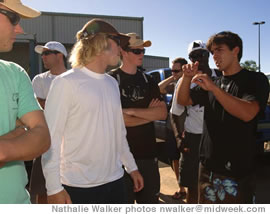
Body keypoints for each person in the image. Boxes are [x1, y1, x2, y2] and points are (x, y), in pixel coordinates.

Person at [41, 19, 144, 204]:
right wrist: (54, 188)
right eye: (117, 43)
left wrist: (132, 167)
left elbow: (119, 132)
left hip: (116, 182)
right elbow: (51, 139)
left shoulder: (112, 83)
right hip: (78, 187)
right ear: (101, 43)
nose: (121, 50)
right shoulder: (65, 83)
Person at [176, 31, 269, 203]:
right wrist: (186, 78)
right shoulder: (213, 83)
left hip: (236, 172)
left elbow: (248, 113)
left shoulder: (255, 79)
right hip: (207, 169)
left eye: (219, 50)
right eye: (212, 52)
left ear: (235, 50)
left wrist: (214, 89)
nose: (215, 56)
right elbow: (183, 100)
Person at [0, 0, 50, 204]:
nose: (19, 28)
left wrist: (2, 151)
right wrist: (16, 135)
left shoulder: (15, 73)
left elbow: (43, 136)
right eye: (13, 18)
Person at [110, 33, 167, 204]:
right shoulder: (111, 80)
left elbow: (162, 114)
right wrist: (148, 114)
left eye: (143, 50)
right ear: (123, 52)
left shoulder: (149, 80)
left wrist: (130, 111)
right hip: (119, 159)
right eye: (136, 51)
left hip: (148, 156)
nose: (142, 54)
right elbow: (115, 121)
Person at [29, 41, 68, 204]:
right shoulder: (39, 79)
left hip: (71, 145)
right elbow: (37, 105)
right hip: (45, 143)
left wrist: (49, 102)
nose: (43, 57)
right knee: (42, 192)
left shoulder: (73, 78)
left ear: (60, 56)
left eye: (47, 53)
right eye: (42, 54)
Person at [158, 57, 188, 200]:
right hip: (172, 129)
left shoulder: (192, 84)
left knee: (189, 161)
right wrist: (173, 76)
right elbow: (159, 88)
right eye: (172, 70)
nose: (174, 73)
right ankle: (181, 188)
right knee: (174, 159)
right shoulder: (174, 84)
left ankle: (192, 191)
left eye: (177, 70)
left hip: (188, 131)